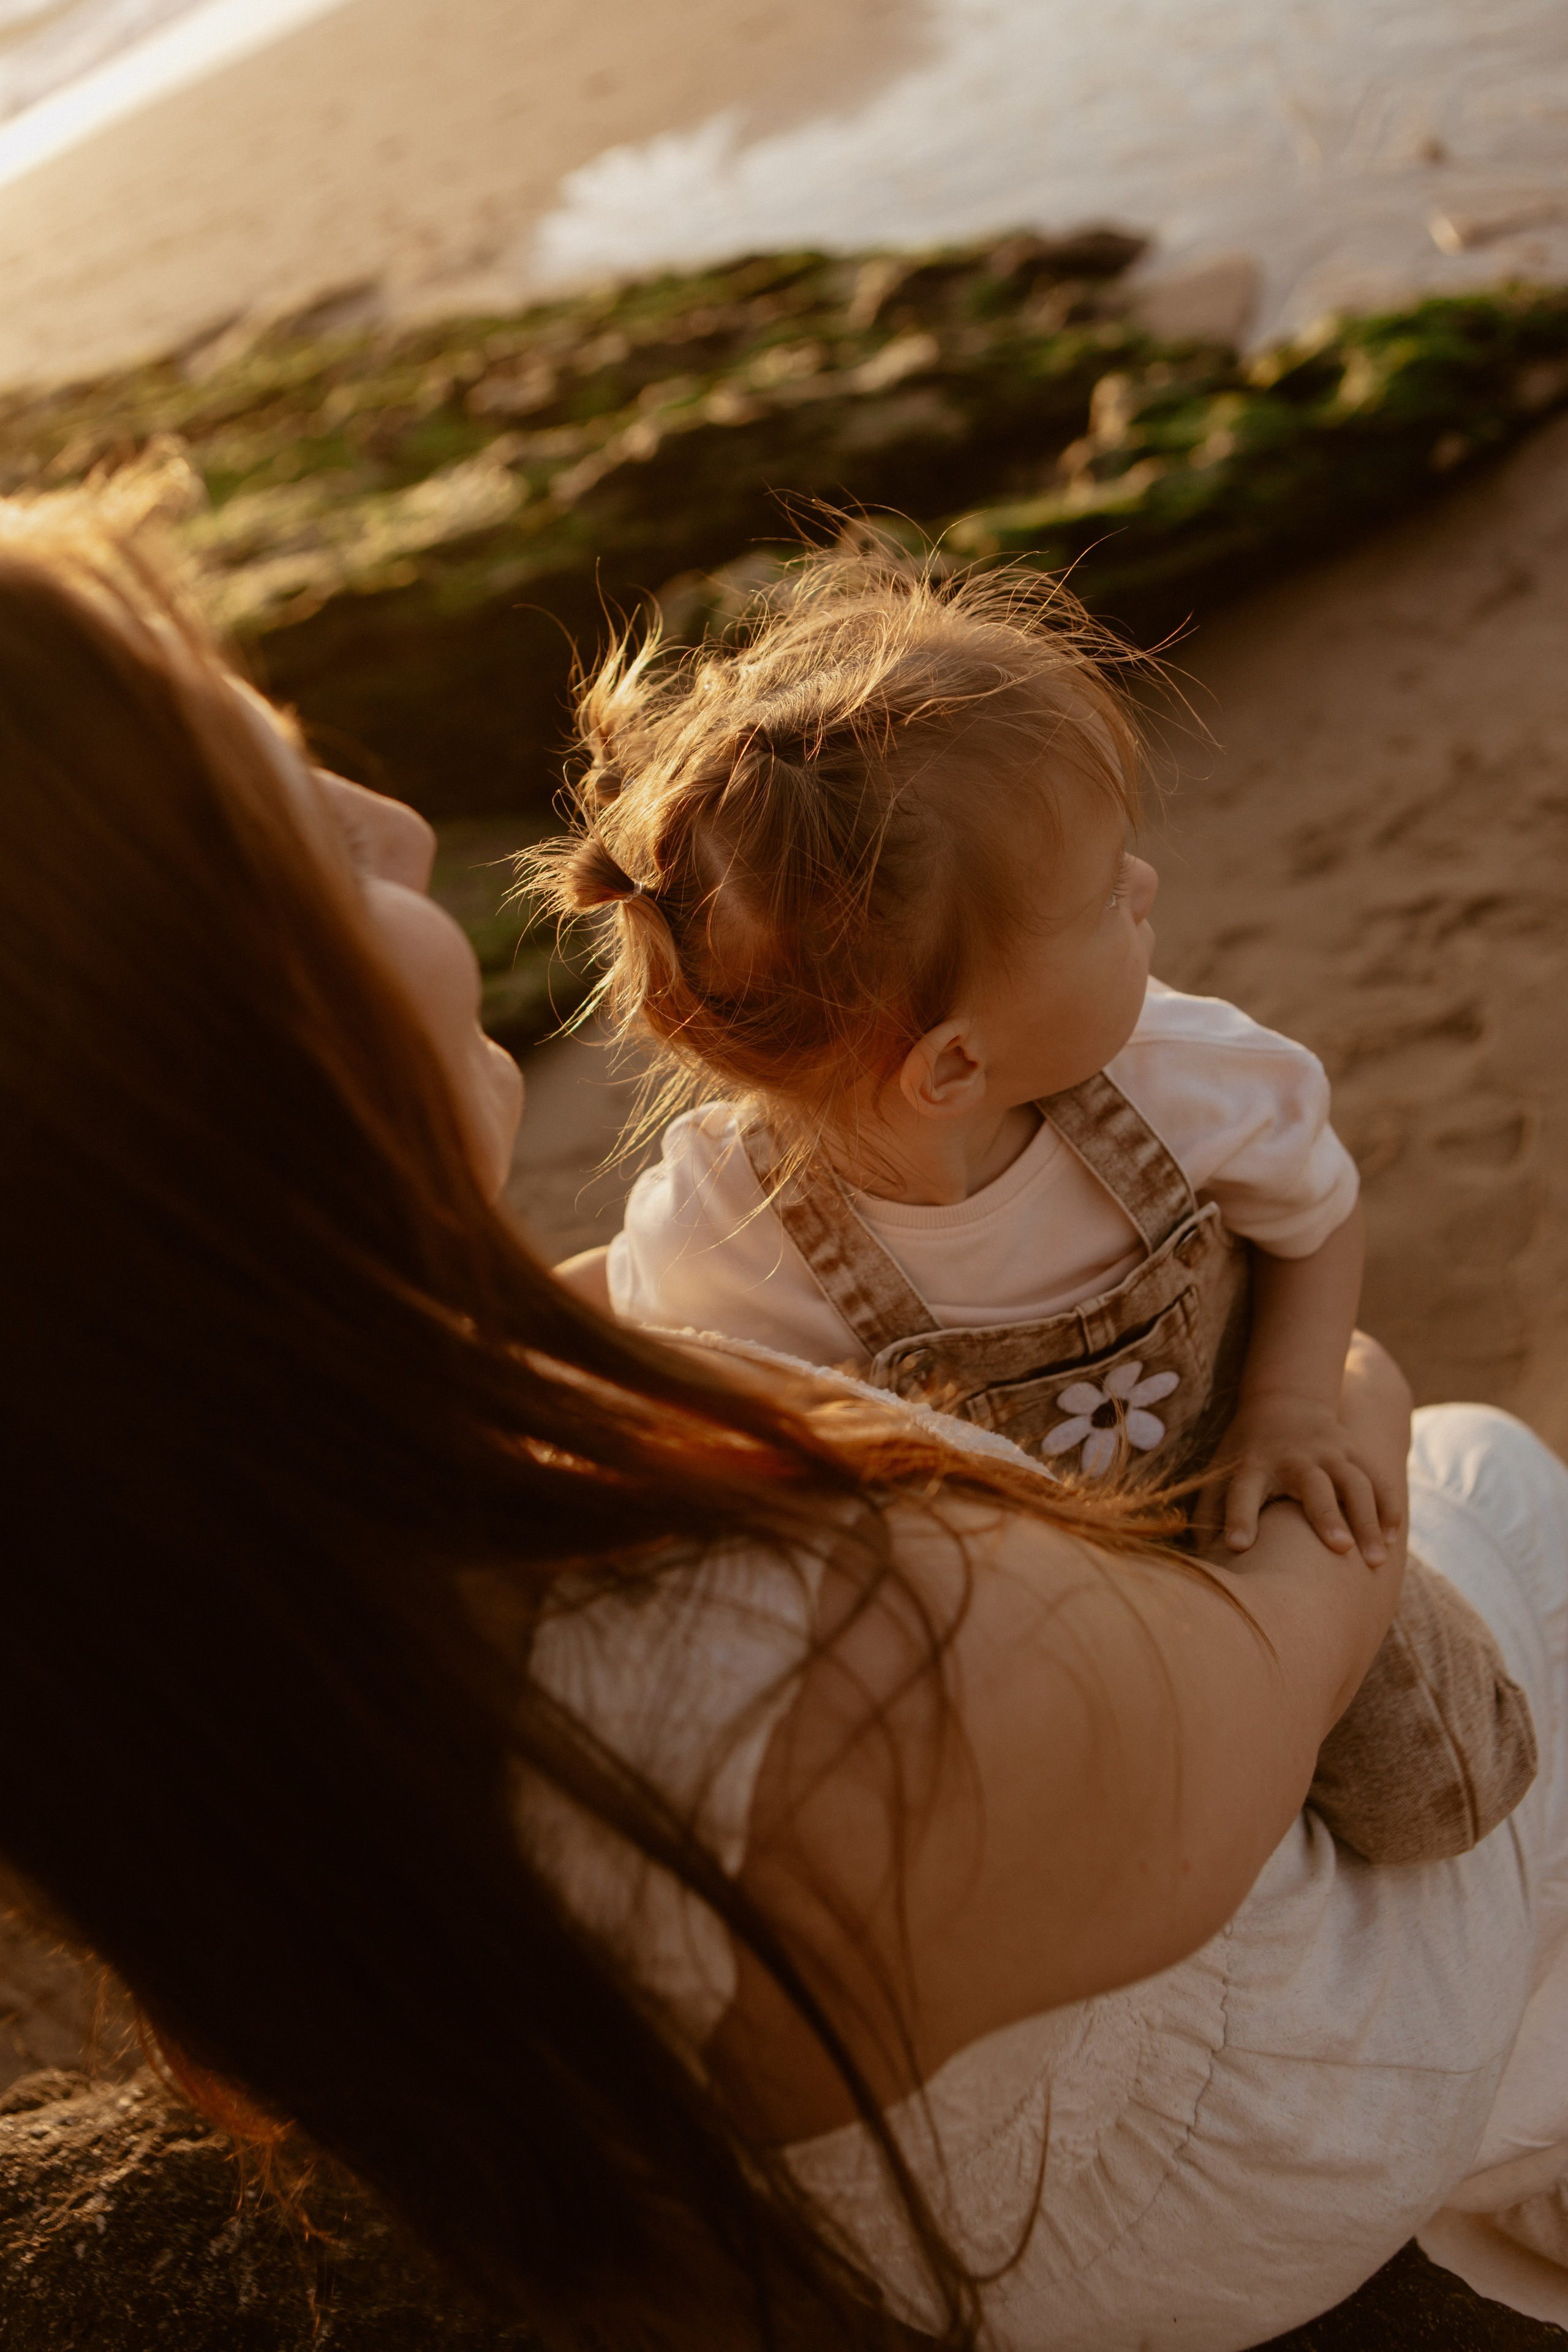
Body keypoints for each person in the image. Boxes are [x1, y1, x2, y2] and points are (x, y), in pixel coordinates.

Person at [1, 502, 1567, 2352]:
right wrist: (1351, 1394)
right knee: (1492, 1474)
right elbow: (1257, 1685)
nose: (409, 825)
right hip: (1208, 2162)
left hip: (1019, 2013)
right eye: (305, 820)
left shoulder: (154, 1627)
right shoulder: (834, 1673)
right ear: (177, 1064)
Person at [523, 548, 1534, 1871]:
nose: (1145, 893)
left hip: (1235, 1489)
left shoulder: (1176, 1080)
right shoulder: (728, 1230)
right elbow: (710, 1409)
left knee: (1436, 1798)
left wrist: (1292, 1403)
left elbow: (1314, 1215)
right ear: (950, 1064)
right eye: (1105, 895)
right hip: (1028, 1622)